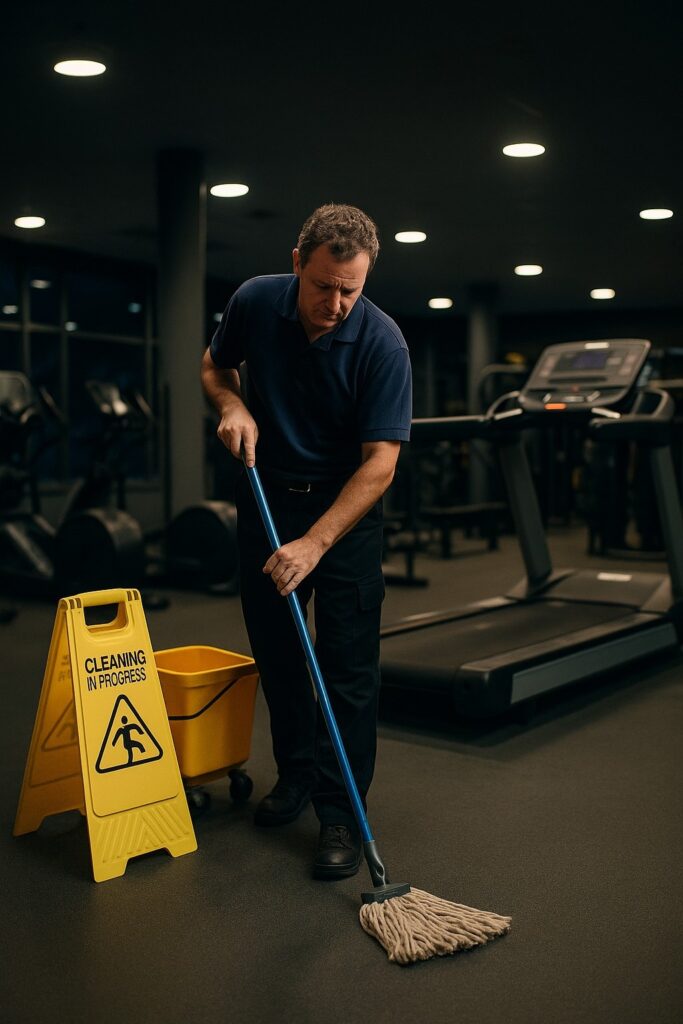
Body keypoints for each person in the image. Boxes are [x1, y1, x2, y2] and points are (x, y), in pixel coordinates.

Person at [201, 203, 412, 879]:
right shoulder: (254, 302)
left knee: (346, 668)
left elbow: (379, 465)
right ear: (297, 263)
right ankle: (294, 775)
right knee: (280, 653)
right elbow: (215, 367)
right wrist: (232, 403)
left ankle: (340, 812)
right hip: (268, 497)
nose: (337, 304)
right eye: (324, 286)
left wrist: (316, 543)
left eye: (351, 290)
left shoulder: (382, 343)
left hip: (345, 512)